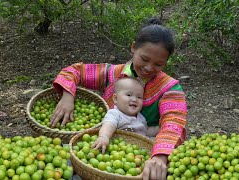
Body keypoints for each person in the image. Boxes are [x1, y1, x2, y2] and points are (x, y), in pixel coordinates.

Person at [50, 17, 188, 180]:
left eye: (158, 64)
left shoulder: (170, 88)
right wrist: (68, 96)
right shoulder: (112, 74)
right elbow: (74, 71)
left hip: (145, 150)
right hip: (106, 138)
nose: (149, 68)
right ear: (133, 48)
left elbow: (174, 123)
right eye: (144, 59)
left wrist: (160, 156)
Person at [91, 77, 148, 153]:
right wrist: (104, 137)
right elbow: (109, 125)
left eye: (139, 97)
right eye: (129, 95)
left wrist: (157, 129)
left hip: (138, 152)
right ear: (115, 99)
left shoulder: (141, 118)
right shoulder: (115, 114)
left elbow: (145, 130)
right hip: (117, 150)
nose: (134, 99)